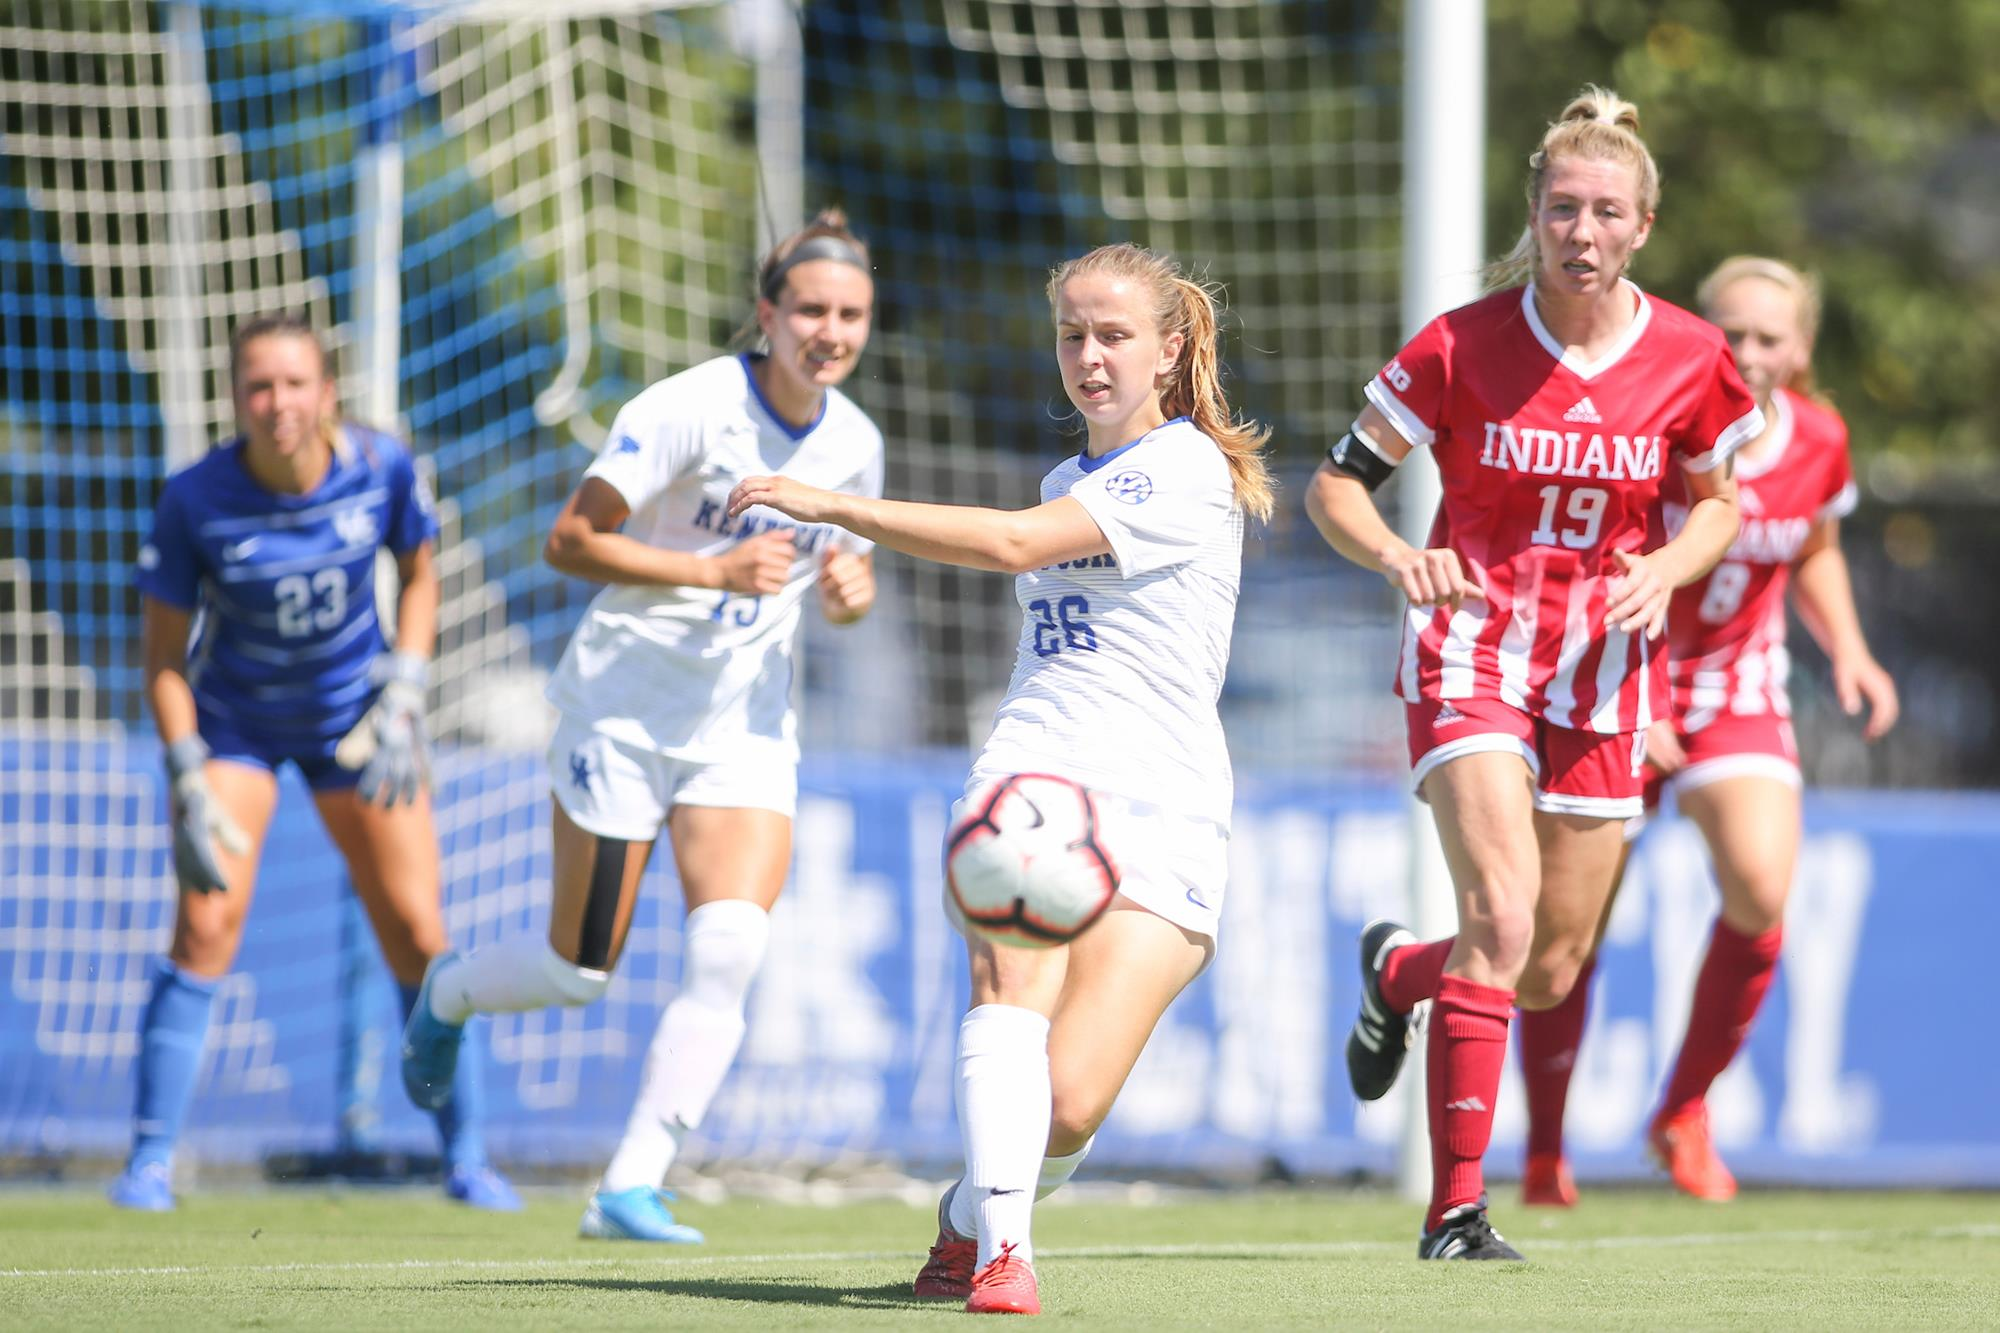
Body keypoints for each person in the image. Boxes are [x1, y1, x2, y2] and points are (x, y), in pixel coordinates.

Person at [726, 240, 1271, 1316]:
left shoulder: (1182, 468)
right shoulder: (1071, 474)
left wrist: (833, 505)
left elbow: (1019, 544)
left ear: (1168, 348)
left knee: (1068, 1103)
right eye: (1070, 333)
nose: (1087, 354)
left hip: (1165, 806)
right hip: (1035, 770)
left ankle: (968, 1217)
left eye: (1112, 333)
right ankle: (1004, 1258)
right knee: (1008, 993)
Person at [1303, 87, 1762, 1260]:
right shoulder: (1458, 343)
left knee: (1547, 969)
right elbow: (1334, 484)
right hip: (1472, 648)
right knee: (1499, 919)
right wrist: (1401, 554)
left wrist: (1666, 562)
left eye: (1605, 210)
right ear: (1534, 213)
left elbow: (1719, 504)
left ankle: (1395, 975)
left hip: (1604, 669)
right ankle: (1455, 1212)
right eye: (1561, 207)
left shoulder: (1692, 359)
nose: (1580, 231)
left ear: (1642, 225)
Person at [398, 210, 884, 1244]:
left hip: (742, 732)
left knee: (730, 948)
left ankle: (630, 1181)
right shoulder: (690, 407)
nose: (829, 332)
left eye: (849, 315)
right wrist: (706, 568)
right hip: (619, 711)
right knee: (578, 971)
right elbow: (571, 539)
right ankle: (449, 991)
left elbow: (845, 592)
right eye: (809, 310)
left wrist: (848, 584)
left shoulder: (854, 444)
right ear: (767, 314)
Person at [1513, 255, 1899, 1207]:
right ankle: (1545, 1151)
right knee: (1569, 929)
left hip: (1735, 690)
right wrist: (1631, 699)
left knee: (1764, 889)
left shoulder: (1819, 439)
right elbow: (1593, 559)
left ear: (1799, 349)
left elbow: (1814, 546)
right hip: (1612, 685)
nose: (1751, 353)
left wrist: (1849, 648)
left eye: (1771, 337)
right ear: (1698, 332)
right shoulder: (1655, 422)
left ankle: (1682, 1109)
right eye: (1732, 333)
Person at [114, 313, 517, 1212]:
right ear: (235, 398)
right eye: (259, 385)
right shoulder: (194, 498)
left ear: (327, 391)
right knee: (204, 927)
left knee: (418, 935)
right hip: (235, 732)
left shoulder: (382, 467)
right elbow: (164, 659)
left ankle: (468, 1158)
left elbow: (420, 570)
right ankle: (148, 1162)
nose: (278, 403)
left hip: (356, 731)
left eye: (295, 383)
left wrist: (406, 691)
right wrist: (185, 772)